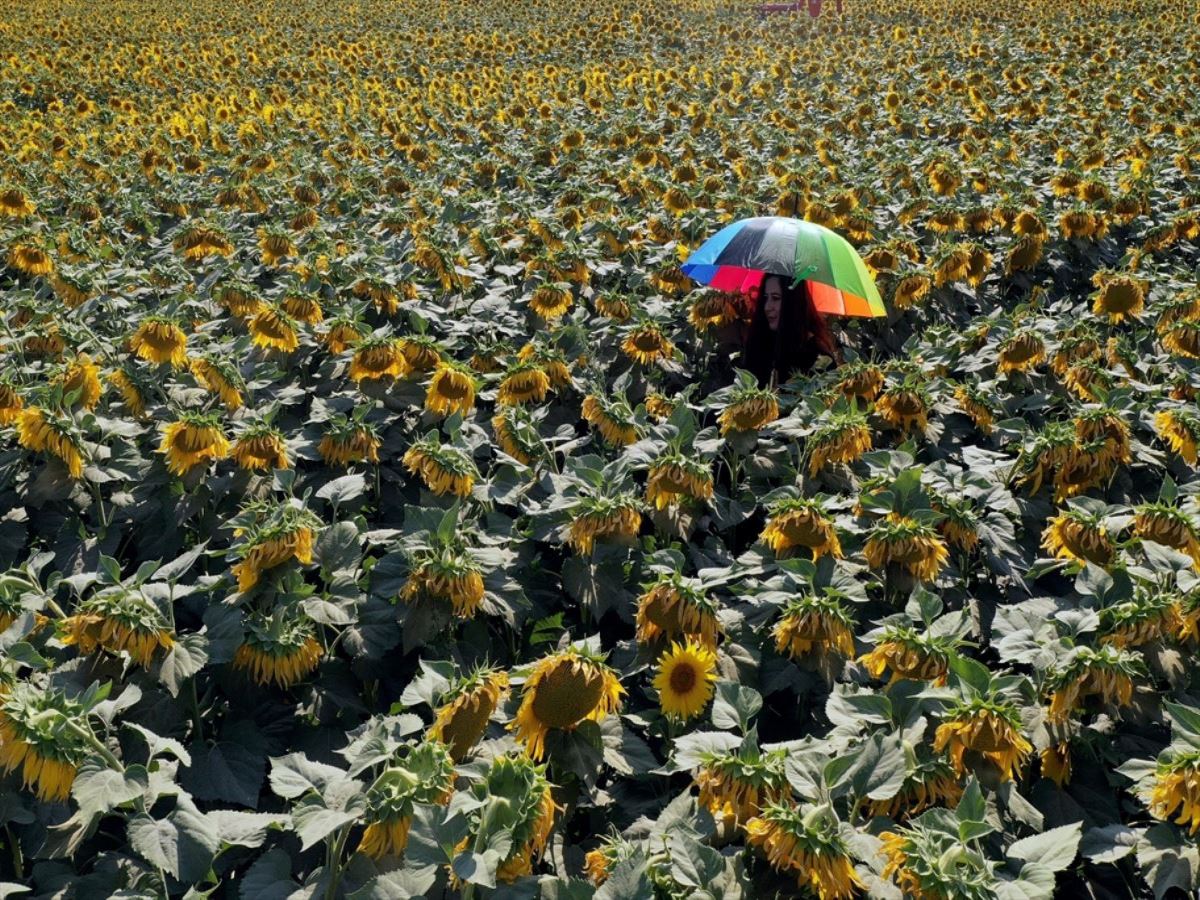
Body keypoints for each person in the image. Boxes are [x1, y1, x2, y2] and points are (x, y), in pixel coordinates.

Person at [741, 273, 841, 387]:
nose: (767, 307)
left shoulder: (817, 354)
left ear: (794, 302)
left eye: (775, 298)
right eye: (765, 298)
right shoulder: (760, 343)